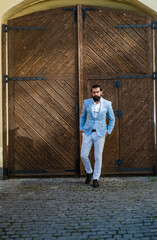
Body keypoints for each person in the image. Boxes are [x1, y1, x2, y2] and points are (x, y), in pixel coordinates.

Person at [80, 84, 115, 188]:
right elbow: (82, 116)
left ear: (101, 92)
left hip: (100, 133)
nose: (95, 94)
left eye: (97, 92)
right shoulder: (86, 103)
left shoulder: (107, 104)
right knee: (83, 155)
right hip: (87, 132)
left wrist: (108, 131)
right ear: (91, 93)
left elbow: (112, 119)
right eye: (93, 92)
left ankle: (96, 178)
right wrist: (81, 128)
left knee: (98, 157)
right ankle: (89, 171)